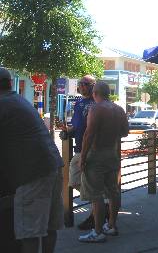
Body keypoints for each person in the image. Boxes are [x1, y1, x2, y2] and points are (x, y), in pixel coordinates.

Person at [0, 67, 63, 253]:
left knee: (29, 231)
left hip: (33, 173)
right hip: (53, 165)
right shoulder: (19, 100)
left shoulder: (3, 104)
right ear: (10, 83)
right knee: (49, 227)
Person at [78, 82, 129, 243]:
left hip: (97, 155)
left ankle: (98, 231)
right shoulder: (119, 109)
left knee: (96, 195)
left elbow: (88, 134)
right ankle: (112, 226)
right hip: (112, 154)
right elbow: (125, 132)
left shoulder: (95, 108)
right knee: (113, 191)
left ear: (95, 93)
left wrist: (83, 157)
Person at [59, 75, 102, 230]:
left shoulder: (98, 103)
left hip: (92, 150)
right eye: (79, 84)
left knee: (87, 183)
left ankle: (96, 215)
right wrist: (68, 131)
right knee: (75, 180)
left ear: (93, 85)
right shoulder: (78, 103)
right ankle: (99, 209)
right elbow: (76, 127)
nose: (81, 87)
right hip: (79, 149)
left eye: (84, 84)